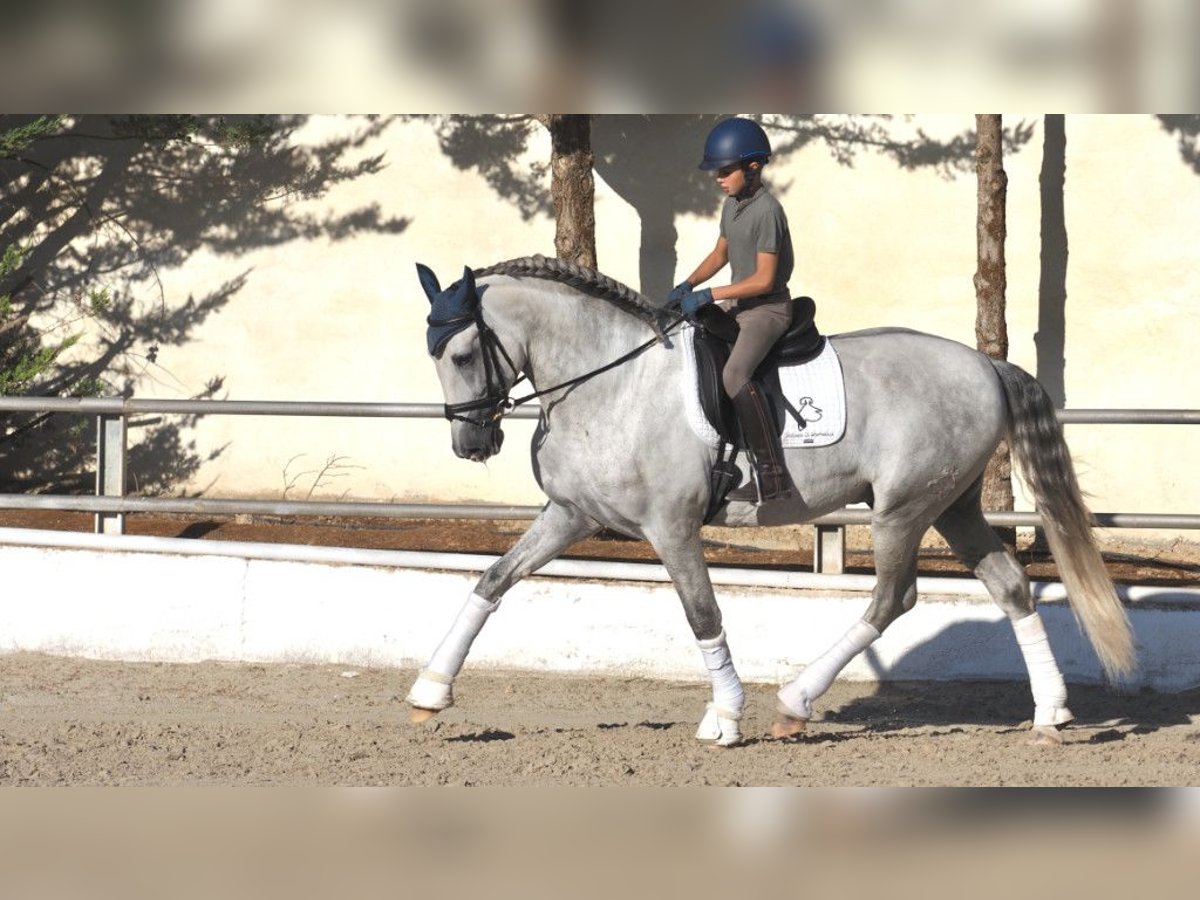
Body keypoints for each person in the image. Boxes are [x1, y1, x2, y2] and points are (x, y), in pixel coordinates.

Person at [668, 117, 795, 503]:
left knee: (736, 373)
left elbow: (764, 280)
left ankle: (772, 474)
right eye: (715, 172)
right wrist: (687, 284)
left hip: (766, 311)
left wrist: (710, 295)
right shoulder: (732, 205)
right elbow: (720, 254)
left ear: (753, 167)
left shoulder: (768, 211)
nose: (718, 178)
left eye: (725, 171)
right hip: (738, 305)